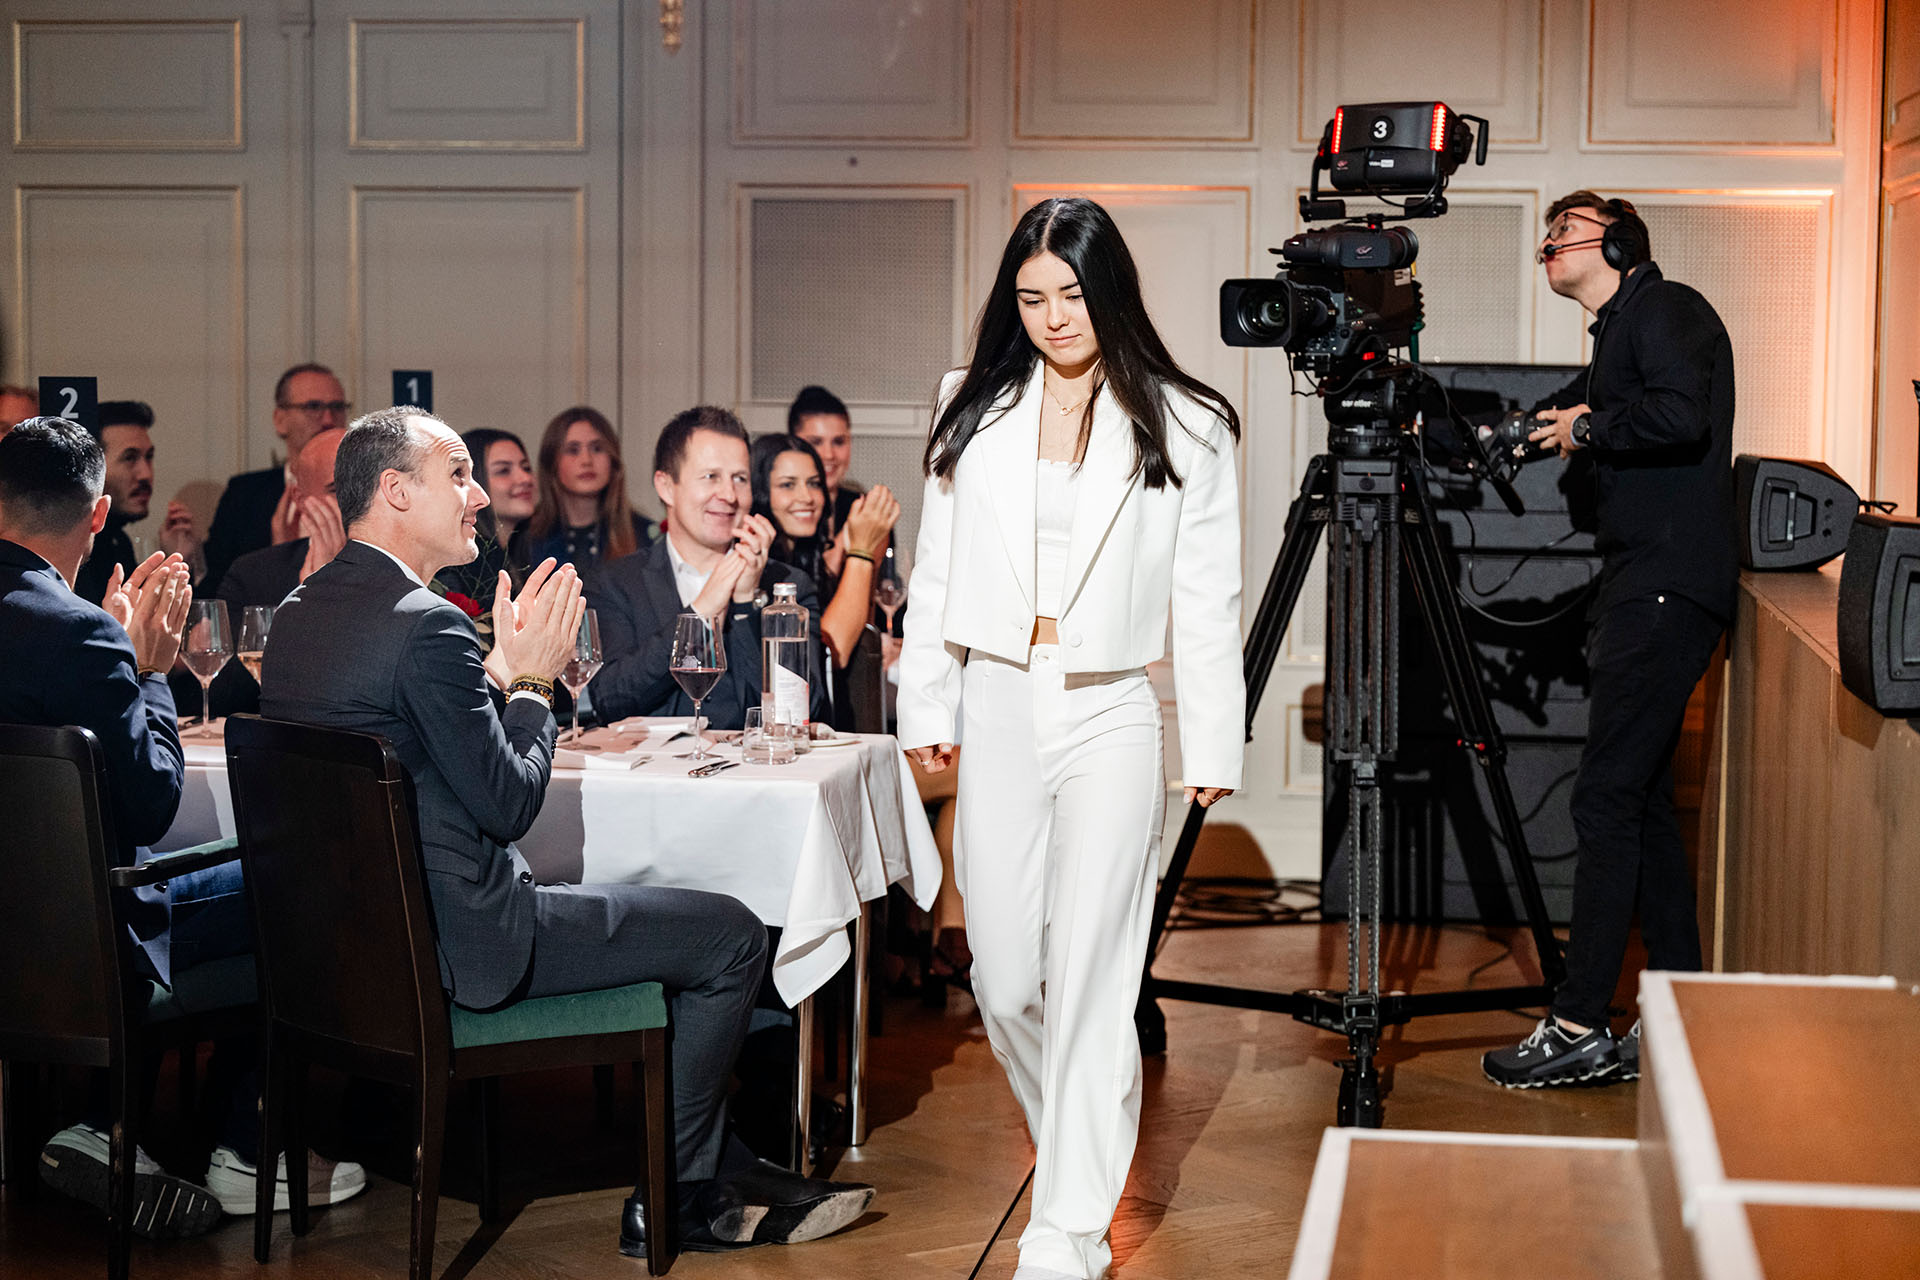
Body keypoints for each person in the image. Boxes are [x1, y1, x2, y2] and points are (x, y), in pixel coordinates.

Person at [261, 406, 872, 1254]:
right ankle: (680, 1195)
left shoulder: (297, 615)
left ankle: (706, 1164)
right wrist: (534, 685)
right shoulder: (426, 623)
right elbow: (510, 806)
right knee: (732, 932)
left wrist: (505, 677)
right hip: (461, 947)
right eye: (459, 476)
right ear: (396, 493)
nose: (480, 496)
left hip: (347, 953)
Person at [898, 197, 1245, 1280]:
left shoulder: (1188, 422)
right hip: (999, 698)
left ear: (1113, 289)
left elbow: (1207, 592)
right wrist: (927, 707)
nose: (1054, 317)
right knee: (1003, 978)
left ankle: (1071, 1224)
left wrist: (1215, 749)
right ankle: (1082, 1144)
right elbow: (939, 570)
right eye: (1032, 297)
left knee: (1096, 972)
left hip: (1110, 710)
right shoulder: (971, 404)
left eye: (1072, 293)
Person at [0, 418, 350, 1237]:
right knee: (292, 872)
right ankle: (242, 1145)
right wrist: (148, 670)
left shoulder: (74, 626)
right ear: (96, 516)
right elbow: (154, 802)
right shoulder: (78, 632)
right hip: (77, 940)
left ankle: (102, 1125)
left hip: (15, 927)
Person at [1483, 193, 1736, 1089]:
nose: (1548, 243)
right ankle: (1679, 1018)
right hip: (1644, 586)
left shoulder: (1666, 310)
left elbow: (1680, 416)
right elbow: (1558, 412)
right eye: (1546, 233)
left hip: (1665, 587)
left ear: (1620, 243)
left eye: (1568, 230)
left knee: (1602, 799)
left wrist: (1587, 427)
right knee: (1643, 811)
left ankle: (1581, 1020)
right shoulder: (1611, 341)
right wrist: (1486, 435)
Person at [587, 407, 828, 730]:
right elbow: (610, 700)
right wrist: (700, 615)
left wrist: (746, 605)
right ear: (666, 486)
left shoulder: (787, 585)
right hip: (654, 777)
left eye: (739, 479)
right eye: (710, 477)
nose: (728, 495)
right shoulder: (615, 583)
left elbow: (802, 710)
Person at [748, 432, 899, 671]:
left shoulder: (806, 564)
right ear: (758, 491)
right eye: (788, 485)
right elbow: (831, 655)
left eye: (814, 483)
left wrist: (872, 556)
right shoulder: (756, 568)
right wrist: (861, 553)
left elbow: (859, 640)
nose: (807, 497)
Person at [202, 363, 349, 593]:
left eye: (337, 407)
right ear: (280, 419)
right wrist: (279, 559)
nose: (328, 419)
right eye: (313, 407)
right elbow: (215, 591)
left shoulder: (366, 492)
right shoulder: (244, 494)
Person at [73, 401, 204, 604]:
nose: (146, 474)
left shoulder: (118, 542)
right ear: (91, 467)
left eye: (149, 457)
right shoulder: (76, 548)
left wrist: (176, 560)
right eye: (130, 458)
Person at [430, 427, 534, 644]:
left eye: (526, 467)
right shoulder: (464, 561)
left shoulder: (523, 553)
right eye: (504, 471)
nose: (524, 478)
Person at [520, 406, 652, 571]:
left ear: (613, 460)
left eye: (597, 448)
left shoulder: (647, 536)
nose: (586, 460)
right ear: (551, 463)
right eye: (573, 450)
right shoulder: (524, 537)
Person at [787, 385, 862, 542]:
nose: (828, 455)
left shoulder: (863, 507)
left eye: (838, 442)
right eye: (815, 442)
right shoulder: (779, 510)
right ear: (791, 444)